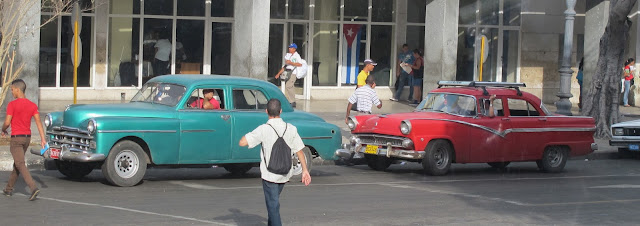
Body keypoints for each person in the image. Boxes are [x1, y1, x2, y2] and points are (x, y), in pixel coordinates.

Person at [239, 98, 311, 226]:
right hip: (285, 173)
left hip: (269, 175)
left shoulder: (263, 129)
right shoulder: (291, 128)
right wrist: (305, 170)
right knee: (273, 205)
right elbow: (300, 150)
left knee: (273, 207)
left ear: (266, 111)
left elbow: (242, 142)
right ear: (281, 111)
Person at [2, 79, 46, 201]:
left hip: (16, 139)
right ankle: (8, 189)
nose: (11, 92)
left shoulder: (12, 105)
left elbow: (7, 122)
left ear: (17, 89)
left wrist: (3, 129)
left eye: (12, 90)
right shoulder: (32, 105)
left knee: (20, 163)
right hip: (27, 138)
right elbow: (38, 122)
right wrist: (43, 139)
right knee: (18, 163)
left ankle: (33, 188)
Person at [275, 43, 303, 108]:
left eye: (291, 48)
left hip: (293, 73)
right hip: (287, 71)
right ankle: (292, 101)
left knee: (289, 86)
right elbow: (285, 65)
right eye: (289, 47)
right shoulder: (288, 55)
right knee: (290, 86)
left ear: (294, 49)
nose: (289, 49)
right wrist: (278, 74)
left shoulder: (297, 56)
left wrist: (291, 63)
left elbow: (300, 64)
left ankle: (292, 101)